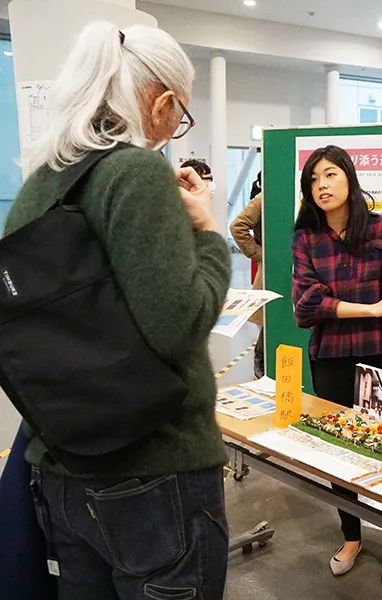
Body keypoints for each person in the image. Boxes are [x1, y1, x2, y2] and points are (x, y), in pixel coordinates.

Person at [4, 21, 231, 600]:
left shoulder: (44, 179)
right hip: (155, 470)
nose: (173, 129)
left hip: (62, 465)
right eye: (179, 115)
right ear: (161, 102)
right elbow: (178, 325)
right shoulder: (133, 171)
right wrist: (208, 233)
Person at [291, 145, 382, 588]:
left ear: (349, 178)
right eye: (313, 180)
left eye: (329, 175)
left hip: (380, 357)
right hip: (329, 358)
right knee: (339, 453)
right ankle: (351, 534)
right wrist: (371, 309)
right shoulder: (306, 236)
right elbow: (306, 305)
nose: (322, 185)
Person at [230, 183, 265, 377]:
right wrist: (258, 253)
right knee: (268, 319)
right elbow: (237, 226)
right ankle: (260, 361)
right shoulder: (263, 198)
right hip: (271, 267)